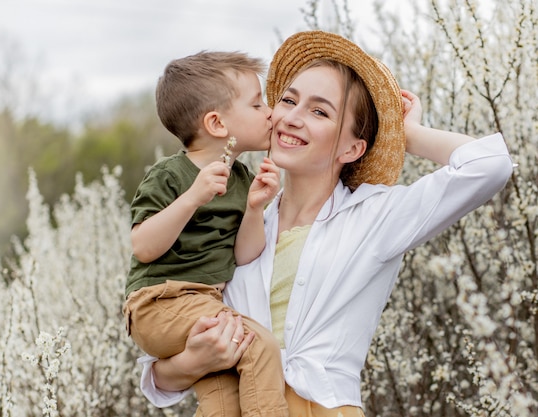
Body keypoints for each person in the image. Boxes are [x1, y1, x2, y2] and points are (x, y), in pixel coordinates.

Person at [136, 31, 514, 416]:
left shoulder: (375, 217)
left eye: (320, 111)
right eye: (287, 100)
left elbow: (489, 166)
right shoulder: (241, 223)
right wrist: (191, 363)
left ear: (352, 148)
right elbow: (161, 372)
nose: (292, 118)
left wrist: (408, 135)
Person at [123, 50, 288, 417]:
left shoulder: (242, 179)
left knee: (224, 392)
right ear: (216, 124)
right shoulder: (170, 175)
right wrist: (192, 198)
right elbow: (143, 246)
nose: (271, 113)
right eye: (257, 104)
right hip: (160, 302)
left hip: (203, 304)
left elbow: (244, 255)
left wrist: (255, 208)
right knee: (258, 345)